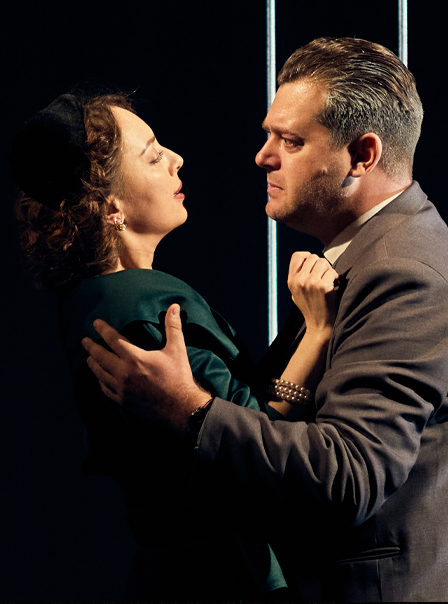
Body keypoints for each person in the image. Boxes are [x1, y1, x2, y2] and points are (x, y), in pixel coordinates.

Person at [84, 37, 448, 603]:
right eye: (268, 134)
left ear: (363, 156)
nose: (263, 157)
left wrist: (189, 410)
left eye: (291, 141)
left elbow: (350, 476)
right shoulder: (366, 255)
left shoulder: (404, 272)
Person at [9, 89, 339, 600]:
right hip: (221, 579)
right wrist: (317, 332)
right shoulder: (144, 313)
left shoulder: (97, 300)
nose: (176, 159)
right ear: (110, 206)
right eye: (152, 155)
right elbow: (257, 439)